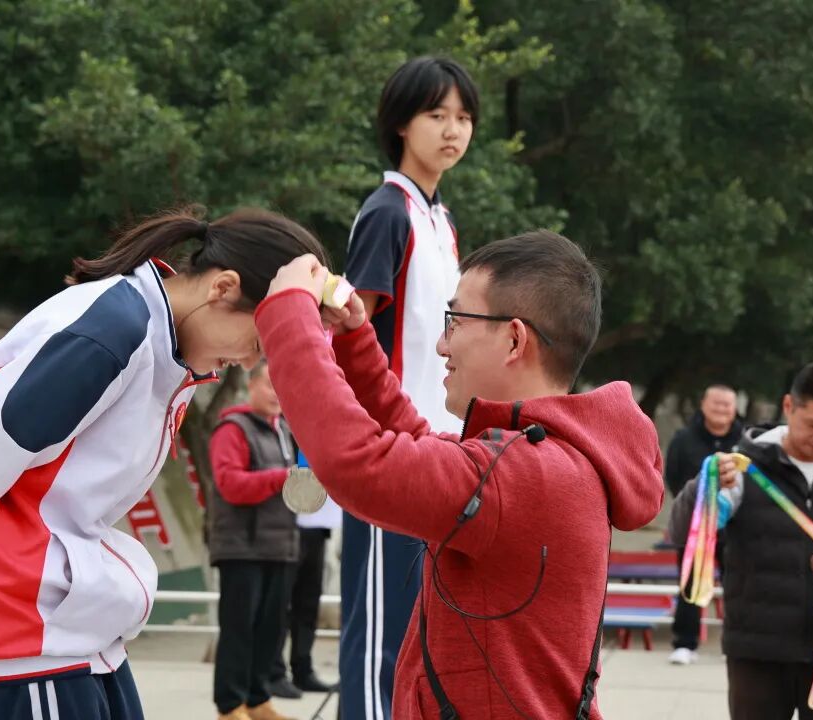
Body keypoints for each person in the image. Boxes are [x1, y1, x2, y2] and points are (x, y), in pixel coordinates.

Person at [0, 209, 327, 720]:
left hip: (63, 622)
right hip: (18, 625)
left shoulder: (163, 347)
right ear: (223, 289)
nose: (253, 362)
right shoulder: (111, 334)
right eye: (258, 341)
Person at [256, 231, 664, 719]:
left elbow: (357, 464)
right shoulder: (545, 460)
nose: (441, 343)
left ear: (514, 338)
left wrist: (288, 316)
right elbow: (420, 445)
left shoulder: (525, 473)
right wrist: (352, 343)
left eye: (456, 320)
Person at [340, 54, 477, 720]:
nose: (452, 130)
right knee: (379, 633)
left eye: (463, 118)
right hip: (386, 450)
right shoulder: (387, 214)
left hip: (442, 450)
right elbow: (348, 330)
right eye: (436, 114)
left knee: (425, 628)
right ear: (399, 123)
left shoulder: (442, 222)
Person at [670, 364, 813, 720]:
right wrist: (704, 487)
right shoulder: (742, 471)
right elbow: (684, 534)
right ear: (789, 407)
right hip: (756, 654)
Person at [208, 360, 300, 720]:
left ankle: (258, 699)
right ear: (251, 386)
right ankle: (230, 706)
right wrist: (282, 478)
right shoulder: (233, 429)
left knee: (271, 631)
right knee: (239, 629)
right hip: (241, 548)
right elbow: (230, 485)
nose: (277, 393)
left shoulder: (284, 431)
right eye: (270, 385)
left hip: (280, 545)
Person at [664, 384, 743, 665]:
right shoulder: (684, 439)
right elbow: (672, 475)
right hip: (696, 526)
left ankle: (737, 642)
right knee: (690, 584)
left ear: (734, 409)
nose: (721, 409)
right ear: (703, 404)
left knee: (741, 586)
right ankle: (685, 643)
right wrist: (694, 510)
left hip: (736, 530)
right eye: (716, 403)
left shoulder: (746, 440)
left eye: (727, 405)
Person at [270, 495, 341, 696]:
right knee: (281, 605)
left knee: (308, 604)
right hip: (287, 526)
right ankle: (274, 672)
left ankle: (303, 670)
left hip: (317, 527)